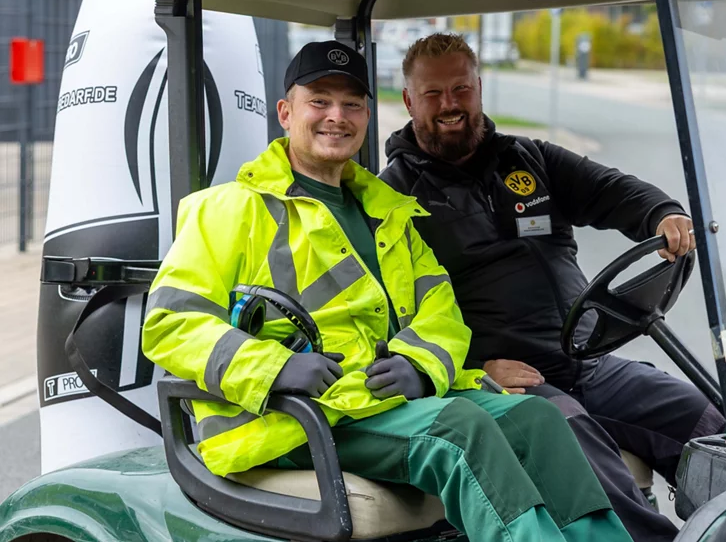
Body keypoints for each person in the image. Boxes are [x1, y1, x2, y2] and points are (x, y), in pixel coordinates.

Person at [142, 40, 632, 542]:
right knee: (461, 431)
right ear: (286, 113)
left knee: (538, 421)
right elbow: (169, 324)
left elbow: (441, 311)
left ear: (368, 117)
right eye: (320, 102)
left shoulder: (390, 211)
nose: (337, 116)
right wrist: (275, 368)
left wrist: (419, 365)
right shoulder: (228, 210)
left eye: (351, 105)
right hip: (289, 417)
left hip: (375, 404)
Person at [380, 33, 726, 541]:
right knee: (572, 441)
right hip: (504, 378)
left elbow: (610, 189)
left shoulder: (529, 159)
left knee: (702, 417)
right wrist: (469, 372)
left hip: (586, 357)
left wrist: (662, 213)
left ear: (480, 87)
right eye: (433, 95)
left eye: (461, 89)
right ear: (409, 101)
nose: (450, 105)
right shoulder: (394, 197)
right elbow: (391, 318)